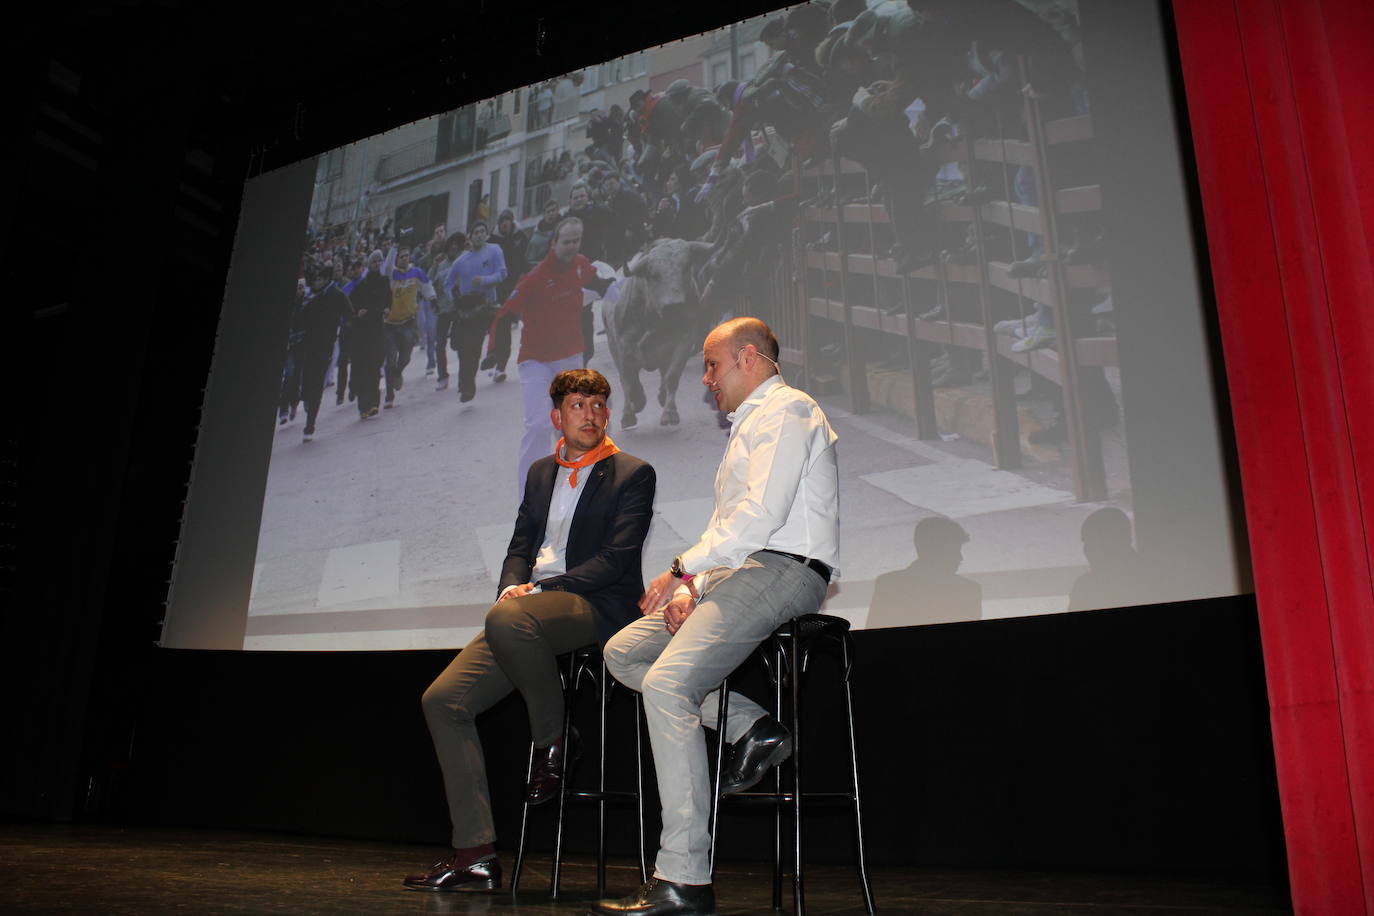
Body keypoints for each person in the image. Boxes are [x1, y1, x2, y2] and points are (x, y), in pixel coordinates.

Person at [594, 317, 839, 916]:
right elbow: (733, 532)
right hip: (743, 570)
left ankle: (684, 880)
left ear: (749, 357)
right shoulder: (751, 422)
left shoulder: (787, 410)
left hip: (783, 570)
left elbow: (759, 517)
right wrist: (695, 585)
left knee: (669, 685)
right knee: (624, 652)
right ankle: (753, 728)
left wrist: (681, 569)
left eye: (712, 365)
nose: (705, 379)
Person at [403, 369, 656, 892]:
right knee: (443, 701)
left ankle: (554, 738)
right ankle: (474, 854)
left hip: (596, 604)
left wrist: (539, 592)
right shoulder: (542, 472)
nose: (591, 414)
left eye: (599, 405)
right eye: (579, 405)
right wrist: (512, 587)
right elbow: (521, 545)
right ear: (557, 416)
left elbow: (616, 561)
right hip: (527, 612)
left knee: (508, 618)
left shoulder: (632, 472)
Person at [489, 217, 610, 491]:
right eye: (566, 241)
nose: (571, 246)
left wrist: (612, 287)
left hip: (570, 357)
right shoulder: (535, 279)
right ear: (553, 243)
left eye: (576, 240)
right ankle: (529, 495)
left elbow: (598, 279)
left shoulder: (580, 264)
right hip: (535, 360)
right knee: (539, 426)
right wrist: (493, 348)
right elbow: (505, 311)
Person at [443, 221, 507, 402]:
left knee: (500, 324)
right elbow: (447, 284)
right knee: (470, 350)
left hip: (488, 303)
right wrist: (454, 299)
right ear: (470, 237)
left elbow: (502, 273)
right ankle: (467, 388)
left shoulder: (494, 250)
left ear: (486, 234)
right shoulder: (461, 261)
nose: (479, 235)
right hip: (469, 308)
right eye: (475, 232)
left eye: (482, 232)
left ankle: (493, 355)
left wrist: (485, 280)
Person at [381, 243, 436, 408]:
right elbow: (387, 266)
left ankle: (398, 373)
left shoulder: (416, 272)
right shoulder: (391, 274)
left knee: (405, 357)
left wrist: (433, 299)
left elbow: (427, 286)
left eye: (407, 256)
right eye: (401, 256)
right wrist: (394, 248)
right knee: (390, 359)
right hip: (389, 323)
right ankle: (389, 394)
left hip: (408, 322)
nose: (404, 259)